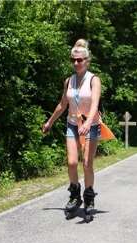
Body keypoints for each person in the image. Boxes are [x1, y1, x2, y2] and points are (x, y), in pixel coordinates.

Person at [42, 39, 103, 212]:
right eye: (73, 60)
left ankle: (89, 198)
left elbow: (94, 106)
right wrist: (49, 122)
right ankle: (75, 195)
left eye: (80, 60)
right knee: (71, 162)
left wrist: (88, 123)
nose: (76, 63)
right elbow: (62, 105)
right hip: (72, 124)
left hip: (90, 125)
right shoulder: (68, 81)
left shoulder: (94, 80)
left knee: (87, 163)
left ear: (87, 61)